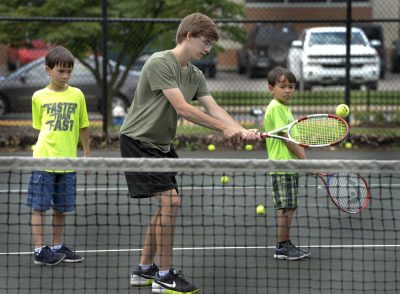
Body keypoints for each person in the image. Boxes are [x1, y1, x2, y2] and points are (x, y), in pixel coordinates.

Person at [119, 12, 258, 294]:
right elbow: (183, 108)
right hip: (138, 141)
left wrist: (241, 129)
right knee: (171, 203)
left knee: (167, 205)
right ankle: (166, 276)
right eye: (205, 42)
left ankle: (144, 269)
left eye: (210, 45)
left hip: (163, 145)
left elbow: (214, 108)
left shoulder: (195, 74)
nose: (207, 49)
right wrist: (223, 129)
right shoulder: (160, 62)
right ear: (188, 36)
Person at [27, 46, 90, 266]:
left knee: (61, 208)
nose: (65, 76)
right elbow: (39, 126)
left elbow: (83, 126)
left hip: (68, 162)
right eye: (61, 71)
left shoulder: (77, 95)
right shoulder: (38, 96)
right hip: (43, 159)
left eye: (69, 72)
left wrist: (86, 155)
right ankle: (39, 250)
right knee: (39, 206)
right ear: (48, 70)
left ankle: (56, 246)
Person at [263, 67, 310, 260]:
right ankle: (282, 247)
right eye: (283, 86)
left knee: (289, 206)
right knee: (287, 207)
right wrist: (306, 162)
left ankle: (284, 244)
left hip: (288, 166)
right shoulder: (276, 108)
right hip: (283, 166)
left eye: (291, 86)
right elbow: (287, 139)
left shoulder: (283, 108)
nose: (288, 90)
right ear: (271, 88)